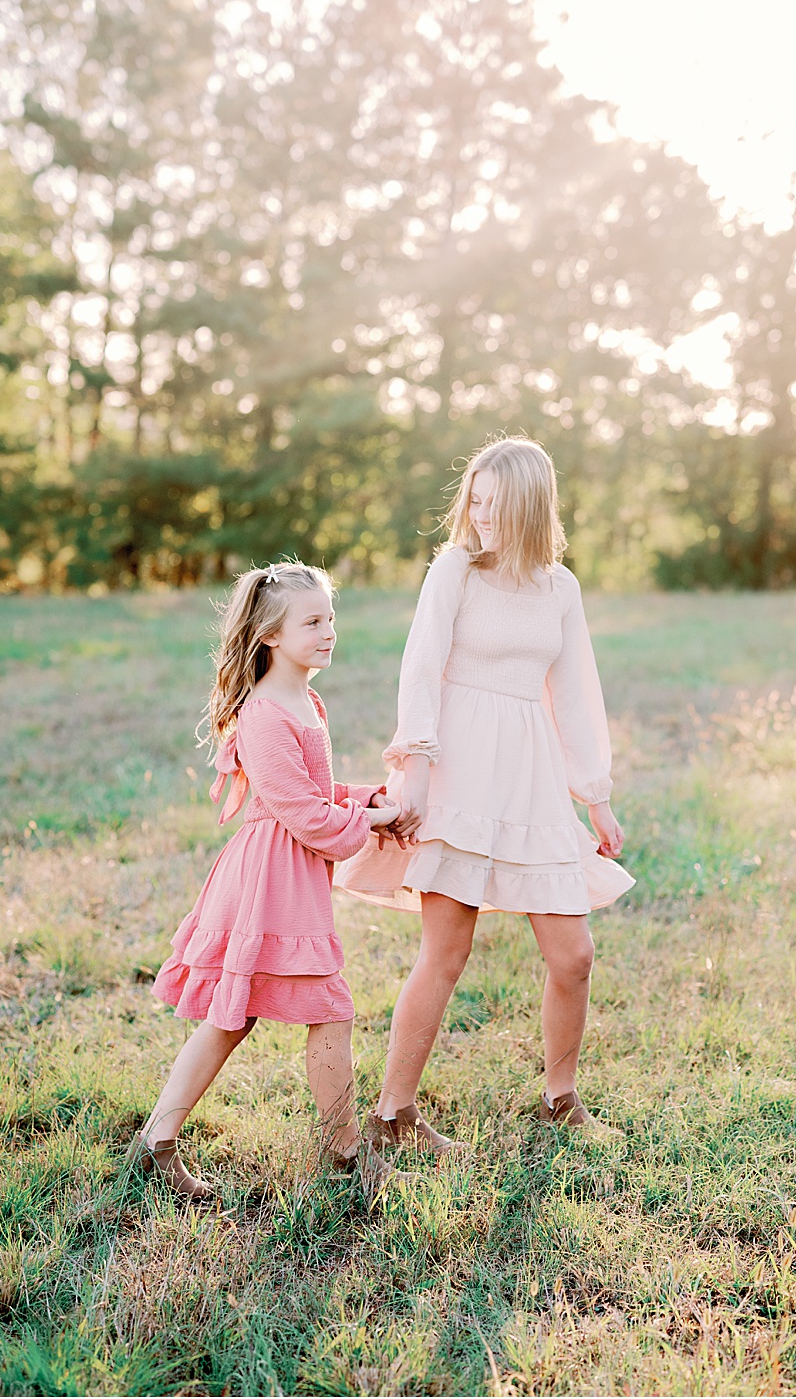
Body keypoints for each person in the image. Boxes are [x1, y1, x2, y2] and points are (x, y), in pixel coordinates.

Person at [336, 435, 635, 1152]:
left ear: (531, 505)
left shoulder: (560, 589)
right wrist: (416, 767)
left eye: (495, 504)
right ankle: (392, 1116)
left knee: (574, 955)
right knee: (446, 951)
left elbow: (573, 692)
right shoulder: (456, 570)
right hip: (458, 771)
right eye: (474, 500)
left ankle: (560, 1097)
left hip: (529, 779)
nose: (480, 515)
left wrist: (594, 794)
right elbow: (422, 666)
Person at [134, 561, 403, 1200]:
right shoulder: (264, 713)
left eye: (330, 617)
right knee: (309, 1010)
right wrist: (366, 821)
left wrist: (369, 799)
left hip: (293, 872)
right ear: (271, 635)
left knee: (240, 1017)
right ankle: (345, 1155)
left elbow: (315, 794)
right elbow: (302, 811)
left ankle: (156, 1141)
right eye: (312, 621)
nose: (328, 631)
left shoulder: (307, 700)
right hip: (268, 878)